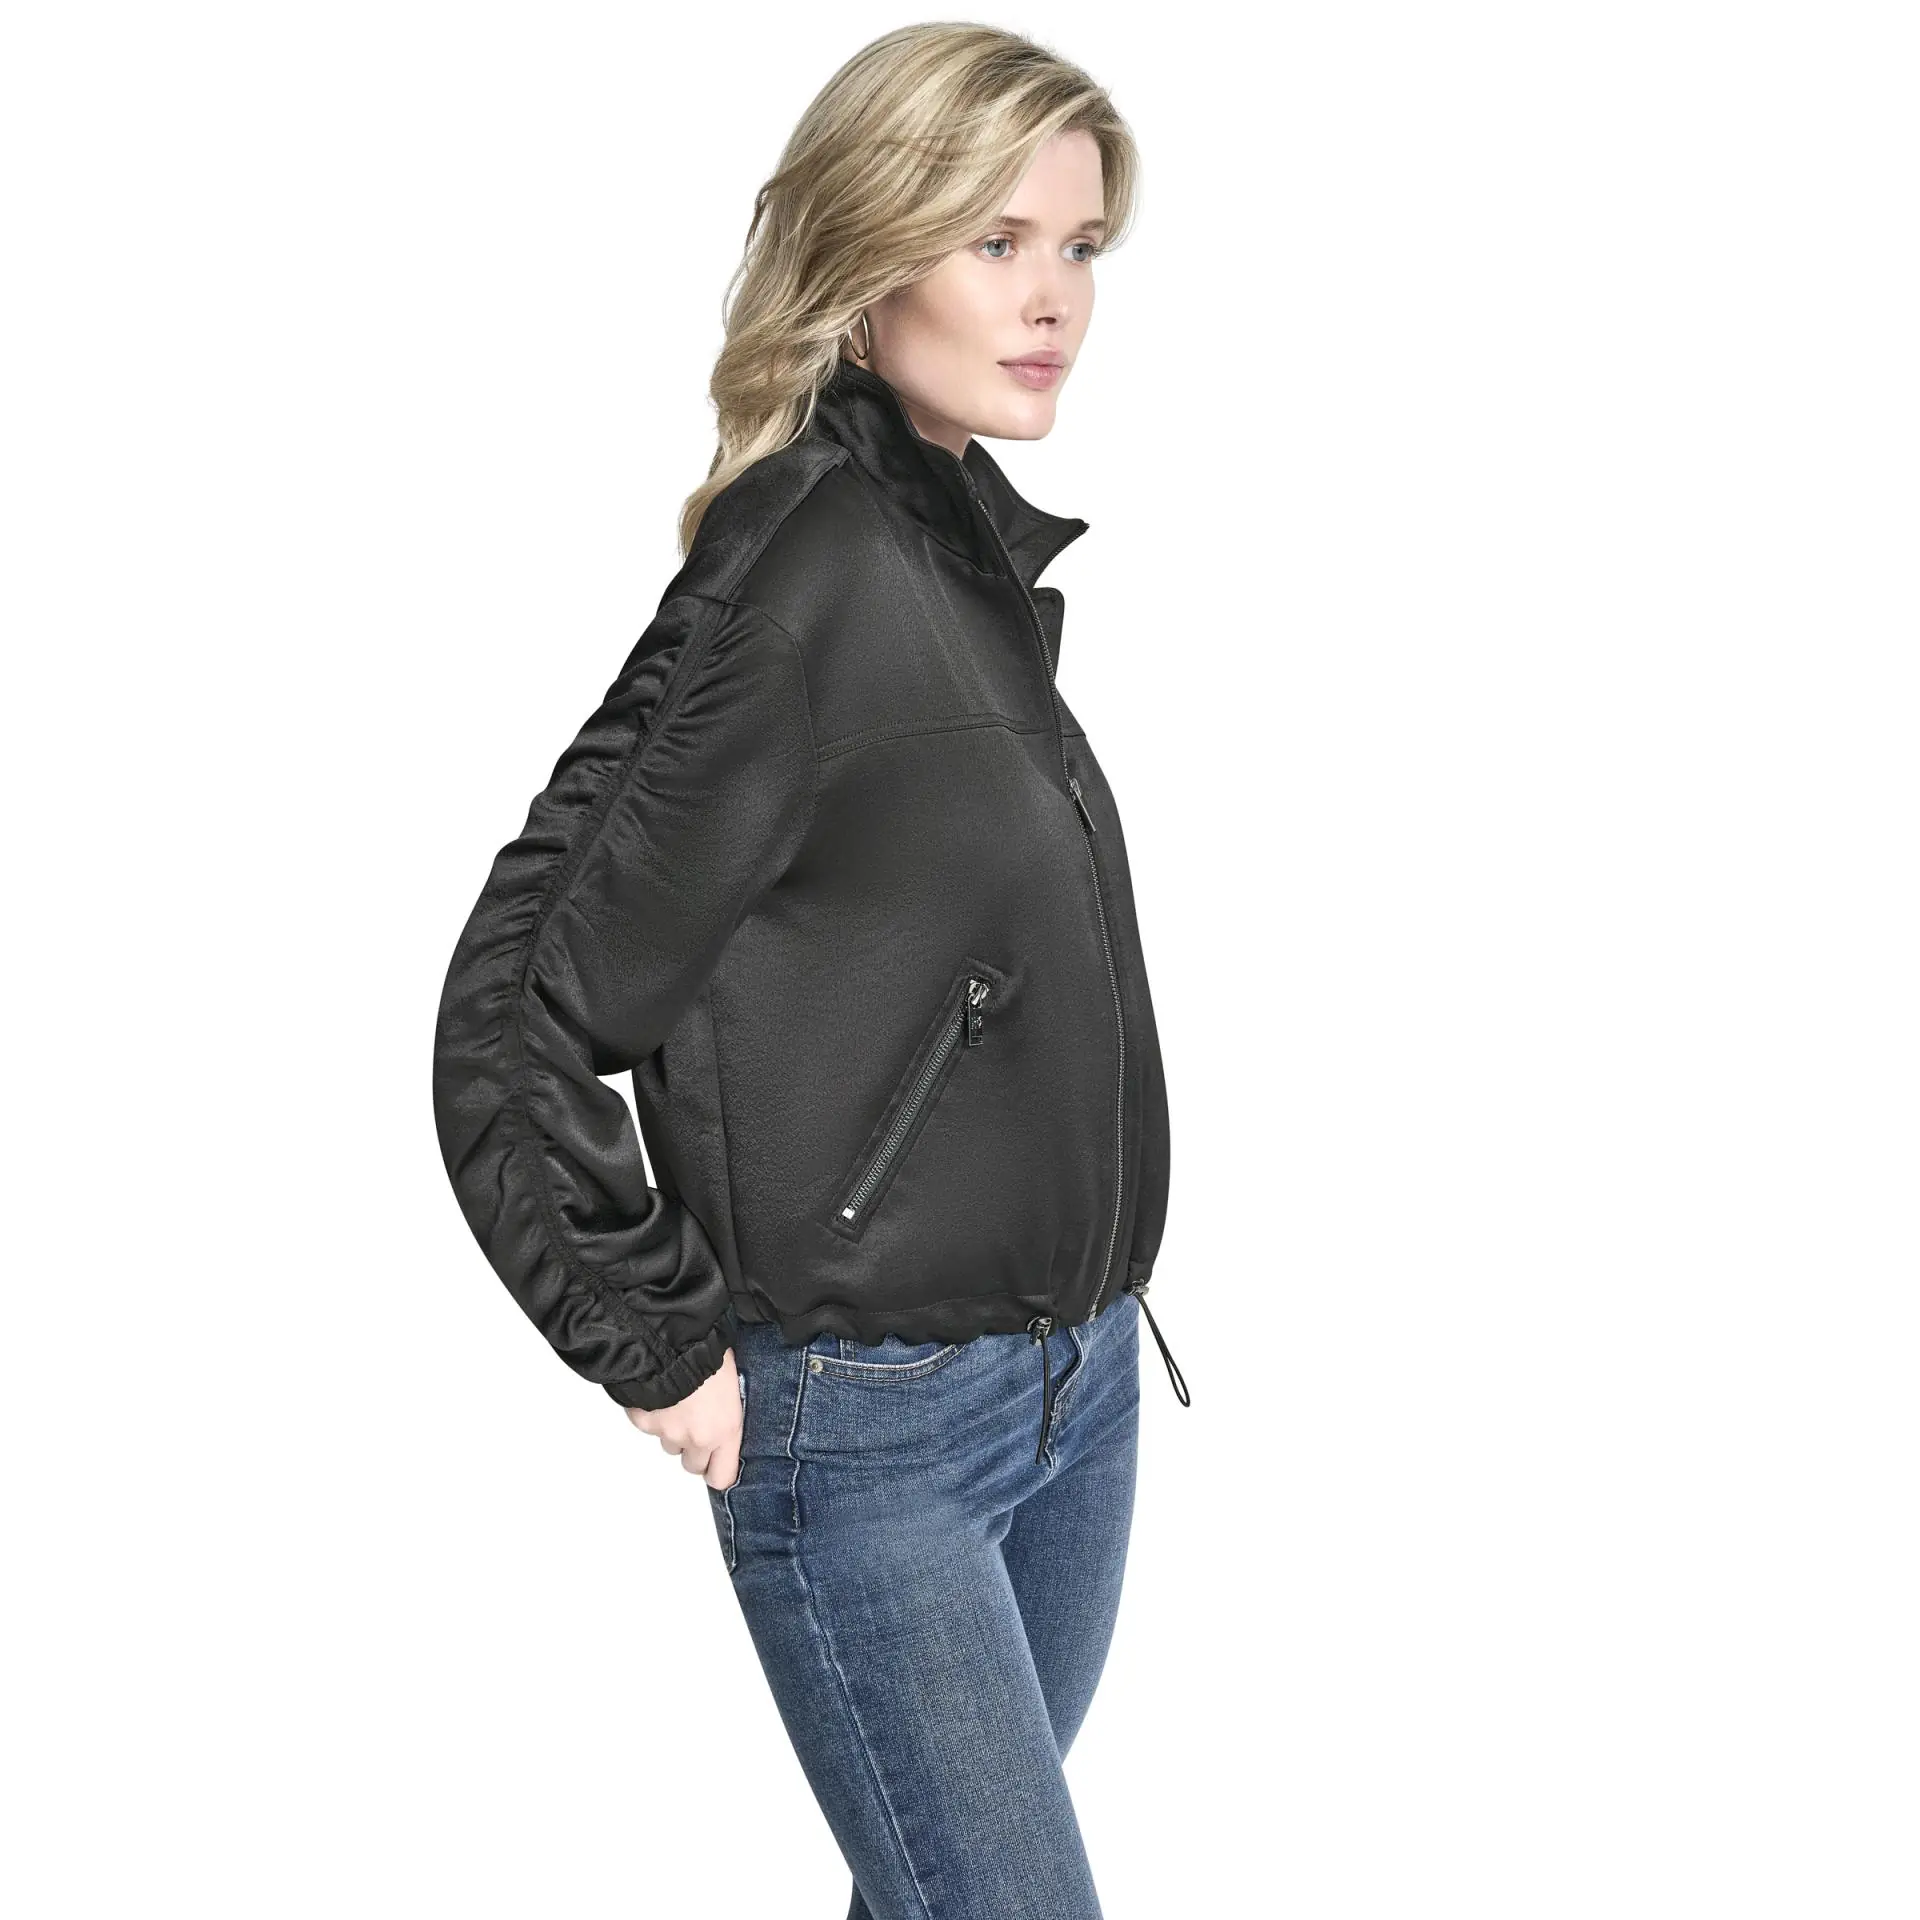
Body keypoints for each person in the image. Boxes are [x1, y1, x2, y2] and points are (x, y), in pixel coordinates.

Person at [431, 24, 1189, 1918]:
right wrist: (651, 1338)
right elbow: (514, 1015)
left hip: (1075, 1391)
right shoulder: (803, 576)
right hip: (875, 1431)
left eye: (1079, 247)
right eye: (996, 241)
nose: (1054, 300)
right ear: (869, 255)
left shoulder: (951, 546)